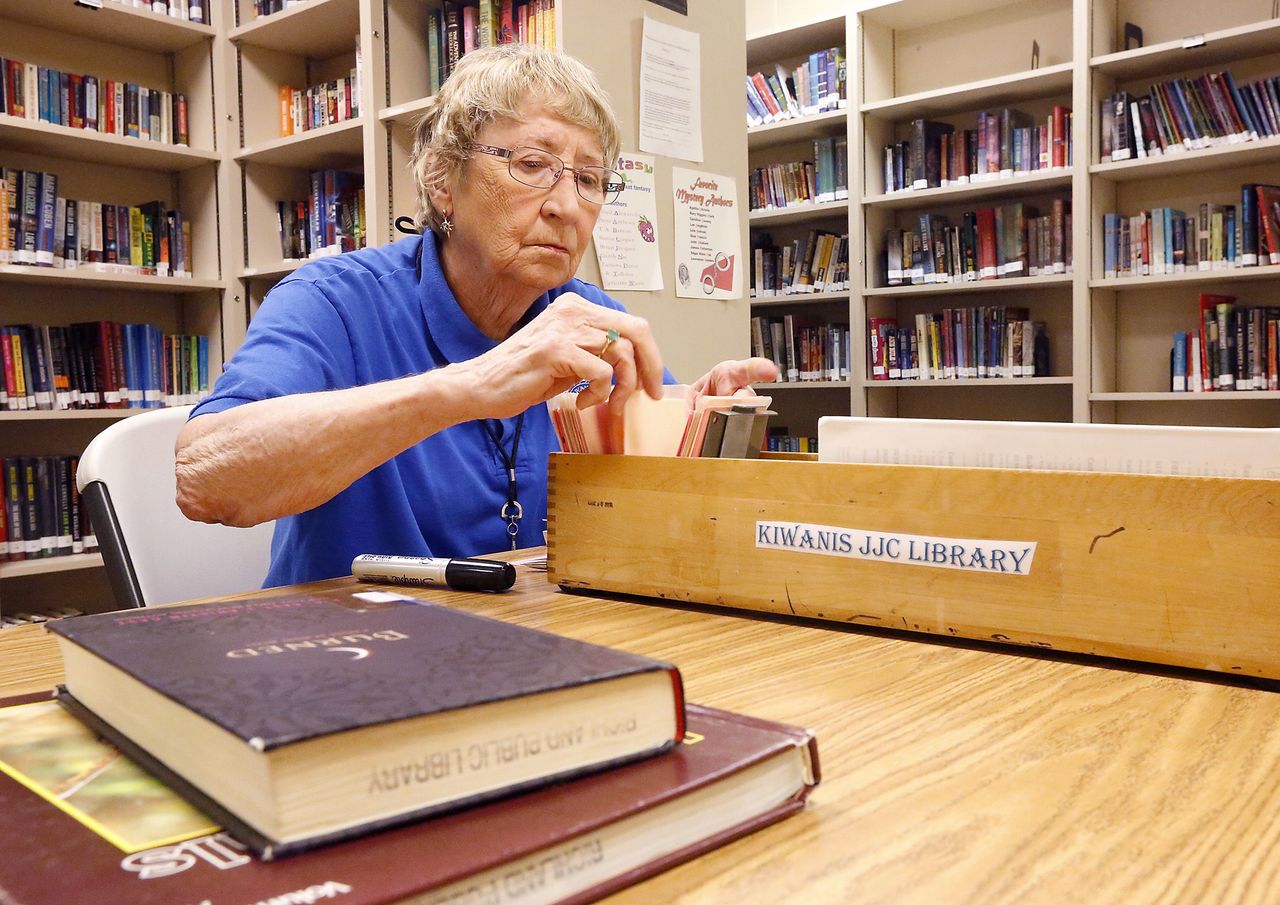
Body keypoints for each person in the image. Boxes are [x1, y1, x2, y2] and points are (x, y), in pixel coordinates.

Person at [175, 44, 777, 586]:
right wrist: (476, 384)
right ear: (443, 180)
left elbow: (652, 514)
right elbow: (206, 479)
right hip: (353, 661)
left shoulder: (592, 318)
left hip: (538, 650)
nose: (568, 206)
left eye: (590, 179)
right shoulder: (333, 300)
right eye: (532, 164)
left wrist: (701, 427)